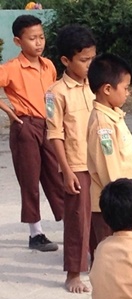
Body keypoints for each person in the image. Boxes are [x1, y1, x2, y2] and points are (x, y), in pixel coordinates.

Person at [0, 15, 64, 252]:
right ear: (18, 41)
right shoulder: (11, 68)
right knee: (30, 180)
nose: (39, 43)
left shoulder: (48, 65)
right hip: (25, 125)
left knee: (57, 175)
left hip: (48, 124)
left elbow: (54, 95)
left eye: (41, 37)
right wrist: (7, 109)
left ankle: (71, 223)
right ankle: (35, 233)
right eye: (32, 38)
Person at [45, 25, 96, 292]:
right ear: (66, 60)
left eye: (92, 59)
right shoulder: (55, 93)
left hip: (100, 163)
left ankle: (101, 263)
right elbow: (54, 134)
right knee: (77, 219)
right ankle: (73, 273)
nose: (90, 65)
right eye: (84, 60)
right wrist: (65, 171)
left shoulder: (97, 85)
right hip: (76, 165)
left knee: (102, 216)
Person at [86, 53, 132, 255]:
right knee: (116, 257)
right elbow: (110, 170)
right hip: (117, 207)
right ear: (107, 89)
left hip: (130, 201)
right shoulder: (102, 124)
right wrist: (125, 207)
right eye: (125, 87)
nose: (128, 93)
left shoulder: (113, 114)